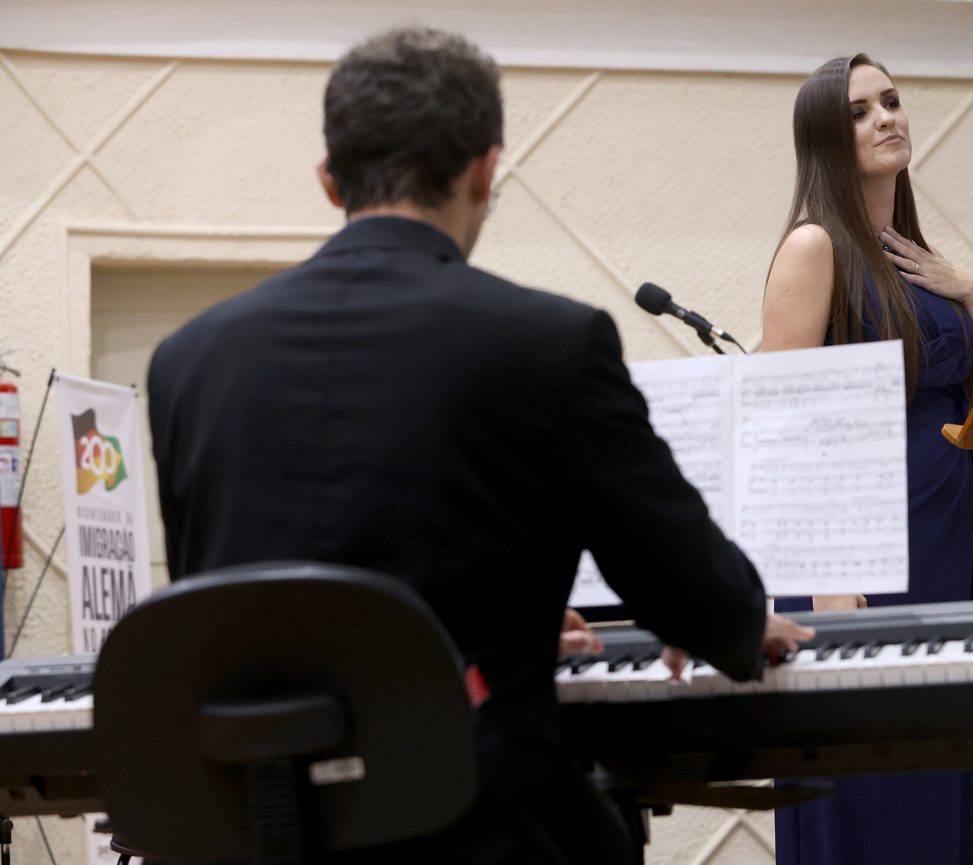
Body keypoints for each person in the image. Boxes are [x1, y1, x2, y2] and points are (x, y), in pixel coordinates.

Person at [147, 27, 812, 865]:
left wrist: (509, 613)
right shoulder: (548, 342)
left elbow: (241, 598)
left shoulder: (187, 362)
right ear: (485, 170)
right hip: (474, 829)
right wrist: (742, 618)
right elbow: (680, 583)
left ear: (329, 180)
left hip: (261, 828)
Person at [761, 54, 973, 865]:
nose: (886, 118)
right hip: (857, 551)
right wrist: (826, 568)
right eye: (861, 111)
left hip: (942, 542)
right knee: (872, 774)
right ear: (827, 140)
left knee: (943, 756)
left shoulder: (924, 262)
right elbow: (782, 422)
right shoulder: (811, 246)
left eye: (893, 102)